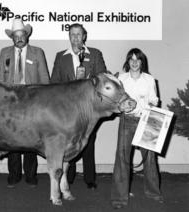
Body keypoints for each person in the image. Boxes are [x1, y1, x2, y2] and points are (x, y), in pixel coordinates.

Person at [51, 23, 107, 189]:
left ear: (84, 36)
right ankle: (69, 176)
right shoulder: (61, 56)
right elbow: (54, 82)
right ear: (69, 37)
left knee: (89, 141)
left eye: (78, 34)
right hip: (67, 109)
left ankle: (90, 179)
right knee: (70, 142)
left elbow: (102, 78)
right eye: (72, 34)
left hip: (88, 108)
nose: (75, 38)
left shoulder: (95, 54)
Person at [0, 18, 50, 188]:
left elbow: (45, 80)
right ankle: (14, 174)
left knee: (31, 139)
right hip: (10, 102)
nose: (19, 38)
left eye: (22, 35)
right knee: (11, 139)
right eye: (16, 35)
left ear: (27, 35)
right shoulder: (5, 53)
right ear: (12, 37)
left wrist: (43, 103)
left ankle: (31, 175)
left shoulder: (37, 52)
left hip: (32, 102)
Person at [111, 48, 164, 209]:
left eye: (137, 59)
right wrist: (121, 107)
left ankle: (153, 192)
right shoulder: (121, 78)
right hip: (127, 121)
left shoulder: (149, 79)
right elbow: (114, 100)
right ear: (127, 62)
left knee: (149, 159)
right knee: (122, 159)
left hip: (146, 120)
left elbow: (155, 100)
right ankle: (120, 198)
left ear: (142, 62)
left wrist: (150, 104)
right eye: (131, 59)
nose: (134, 62)